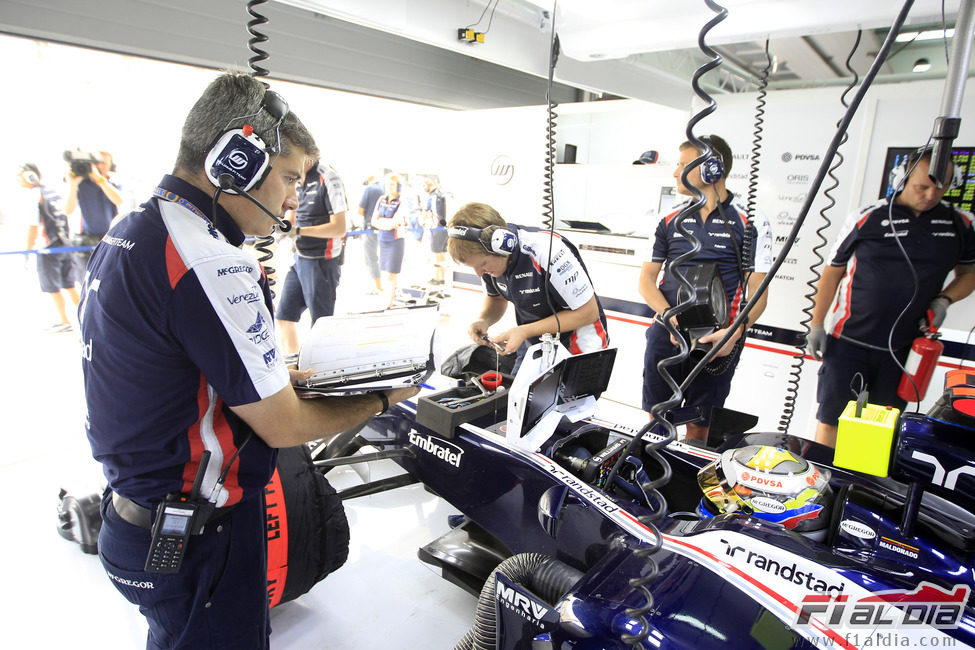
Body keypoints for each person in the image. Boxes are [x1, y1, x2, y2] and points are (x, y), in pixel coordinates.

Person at [79, 72, 418, 649]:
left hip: (140, 520)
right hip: (198, 540)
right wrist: (385, 397)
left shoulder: (135, 230)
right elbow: (284, 427)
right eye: (289, 177)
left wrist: (258, 375)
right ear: (236, 160)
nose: (293, 198)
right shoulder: (210, 262)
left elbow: (167, 363)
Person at [808, 148, 975, 447]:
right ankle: (824, 488)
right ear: (901, 179)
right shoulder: (867, 217)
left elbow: (969, 273)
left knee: (877, 432)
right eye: (921, 187)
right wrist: (817, 324)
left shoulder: (961, 224)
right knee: (832, 421)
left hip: (904, 350)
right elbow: (832, 272)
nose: (930, 195)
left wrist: (945, 299)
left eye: (940, 187)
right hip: (849, 343)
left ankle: (858, 490)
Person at [638, 135, 773, 444]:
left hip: (719, 340)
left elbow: (758, 291)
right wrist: (668, 317)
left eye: (683, 165)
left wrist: (734, 333)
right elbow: (646, 280)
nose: (675, 173)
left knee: (700, 424)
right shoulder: (668, 219)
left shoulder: (750, 221)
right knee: (657, 416)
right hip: (666, 333)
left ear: (712, 169)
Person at [447, 202, 609, 368]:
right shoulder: (489, 264)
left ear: (502, 244)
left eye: (482, 264)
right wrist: (484, 320)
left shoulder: (547, 251)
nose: (478, 273)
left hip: (580, 345)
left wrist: (524, 331)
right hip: (535, 340)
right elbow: (496, 299)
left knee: (561, 393)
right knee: (517, 393)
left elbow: (588, 313)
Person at [277, 159, 348, 355]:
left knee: (321, 326)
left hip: (321, 261)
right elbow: (291, 219)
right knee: (284, 317)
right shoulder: (295, 178)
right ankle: (295, 367)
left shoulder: (328, 178)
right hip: (299, 257)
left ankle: (321, 374)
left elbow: (340, 227)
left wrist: (299, 230)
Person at [18, 163, 81, 331]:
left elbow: (33, 226)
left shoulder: (34, 195)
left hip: (48, 248)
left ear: (30, 176)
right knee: (70, 284)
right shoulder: (51, 192)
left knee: (53, 287)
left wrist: (27, 250)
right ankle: (85, 316)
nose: (19, 180)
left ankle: (64, 321)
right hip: (64, 245)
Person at [64, 149, 124, 254]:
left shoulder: (112, 182)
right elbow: (68, 210)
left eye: (104, 163)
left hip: (111, 237)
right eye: (98, 162)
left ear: (110, 165)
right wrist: (73, 185)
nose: (101, 166)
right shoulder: (82, 183)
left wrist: (99, 179)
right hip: (88, 240)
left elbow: (119, 201)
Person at [372, 174, 406, 306]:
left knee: (392, 274)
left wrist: (383, 223)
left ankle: (388, 304)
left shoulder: (401, 201)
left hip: (396, 241)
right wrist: (385, 223)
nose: (390, 187)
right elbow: (374, 220)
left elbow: (395, 222)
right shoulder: (381, 199)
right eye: (388, 184)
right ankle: (387, 300)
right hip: (383, 240)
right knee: (385, 272)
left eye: (393, 184)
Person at [357, 175, 384, 294]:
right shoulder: (384, 188)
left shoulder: (369, 189)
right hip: (383, 227)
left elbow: (360, 210)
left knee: (370, 257)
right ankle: (380, 285)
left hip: (370, 227)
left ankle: (377, 286)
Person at [422, 175, 448, 285]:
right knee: (442, 253)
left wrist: (422, 221)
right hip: (444, 228)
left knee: (436, 254)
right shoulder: (442, 194)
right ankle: (442, 277)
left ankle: (437, 278)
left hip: (436, 228)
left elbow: (426, 213)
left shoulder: (432, 197)